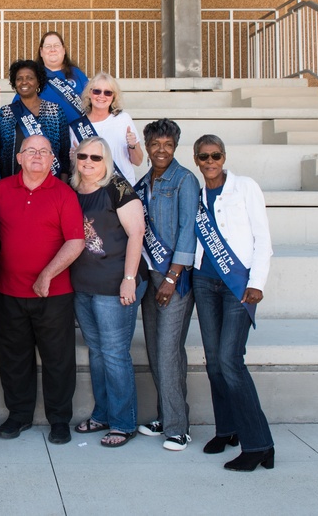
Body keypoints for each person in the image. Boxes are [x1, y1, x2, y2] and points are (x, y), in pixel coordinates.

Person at [0, 135, 85, 445]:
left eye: (44, 151)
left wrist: (47, 274)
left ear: (51, 160)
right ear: (18, 158)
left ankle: (59, 419)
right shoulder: (1, 190)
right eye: (30, 150)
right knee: (14, 358)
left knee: (58, 360)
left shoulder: (64, 194)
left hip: (54, 294)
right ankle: (19, 415)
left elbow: (76, 241)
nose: (37, 155)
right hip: (9, 292)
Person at [192, 134, 275, 472]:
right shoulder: (197, 195)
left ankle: (259, 444)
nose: (210, 162)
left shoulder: (245, 187)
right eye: (203, 157)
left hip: (238, 285)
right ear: (196, 160)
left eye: (215, 156)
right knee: (213, 362)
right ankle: (227, 430)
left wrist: (257, 283)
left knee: (230, 360)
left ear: (224, 156)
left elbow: (263, 238)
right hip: (204, 281)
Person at [69, 136, 147, 448]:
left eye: (96, 158)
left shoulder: (117, 188)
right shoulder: (71, 188)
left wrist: (129, 278)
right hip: (83, 284)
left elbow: (137, 232)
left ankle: (123, 422)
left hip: (115, 284)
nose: (88, 162)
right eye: (83, 156)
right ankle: (102, 413)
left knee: (115, 355)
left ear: (106, 161)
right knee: (98, 353)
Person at [134, 119, 201, 452]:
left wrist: (173, 277)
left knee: (168, 351)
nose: (162, 150)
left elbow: (189, 230)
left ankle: (178, 427)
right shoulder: (144, 182)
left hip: (174, 280)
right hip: (150, 278)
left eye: (168, 145)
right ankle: (165, 415)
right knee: (154, 349)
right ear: (147, 147)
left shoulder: (184, 180)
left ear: (176, 146)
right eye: (156, 144)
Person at [0, 60, 70, 179]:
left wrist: (64, 180)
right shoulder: (5, 113)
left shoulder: (55, 111)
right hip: (13, 181)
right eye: (19, 78)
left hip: (49, 182)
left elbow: (64, 152)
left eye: (29, 78)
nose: (24, 82)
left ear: (38, 82)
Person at [69, 72, 143, 184]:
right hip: (93, 189)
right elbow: (77, 167)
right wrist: (73, 158)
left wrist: (132, 146)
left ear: (113, 96)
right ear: (89, 93)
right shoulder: (77, 126)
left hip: (123, 189)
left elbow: (138, 161)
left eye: (107, 92)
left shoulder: (123, 119)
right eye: (97, 91)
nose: (101, 96)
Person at [32, 31, 89, 124]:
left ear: (64, 50)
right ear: (41, 52)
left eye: (57, 45)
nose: (52, 49)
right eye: (48, 46)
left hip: (78, 134)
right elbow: (20, 107)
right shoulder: (33, 77)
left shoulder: (77, 74)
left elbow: (91, 101)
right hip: (47, 135)